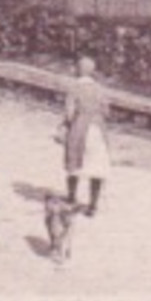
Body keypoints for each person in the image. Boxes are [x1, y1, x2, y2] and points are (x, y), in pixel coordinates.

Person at [60, 55, 112, 216]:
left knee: (74, 161)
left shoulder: (74, 87)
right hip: (98, 130)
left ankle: (71, 197)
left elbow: (69, 114)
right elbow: (107, 112)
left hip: (80, 127)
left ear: (78, 70)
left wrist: (66, 124)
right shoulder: (100, 89)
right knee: (97, 166)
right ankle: (93, 205)